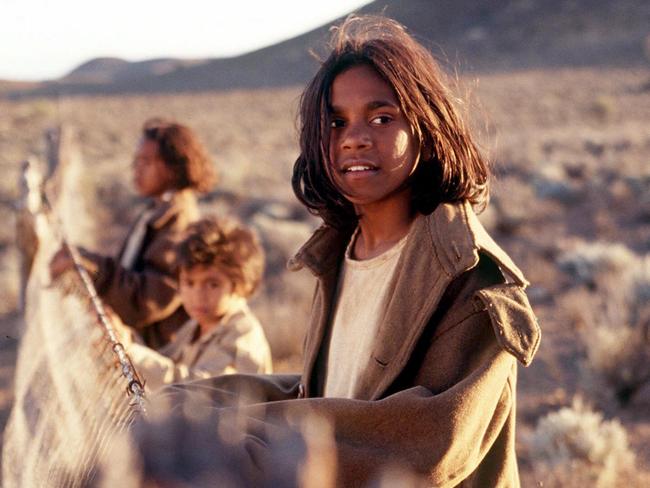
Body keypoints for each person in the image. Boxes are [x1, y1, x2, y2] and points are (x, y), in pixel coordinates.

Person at [143, 15, 541, 487]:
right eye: (336, 121)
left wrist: (241, 444)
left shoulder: (470, 276)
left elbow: (429, 444)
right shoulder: (341, 255)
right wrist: (183, 403)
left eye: (381, 117)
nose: (354, 136)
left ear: (427, 133)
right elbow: (324, 395)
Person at [50, 119, 216, 350]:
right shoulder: (158, 210)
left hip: (158, 357)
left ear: (173, 166)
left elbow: (147, 301)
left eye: (146, 161)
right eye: (136, 161)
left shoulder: (179, 222)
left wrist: (91, 267)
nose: (136, 168)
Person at [127, 217, 273, 392]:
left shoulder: (242, 335)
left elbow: (199, 390)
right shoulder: (198, 324)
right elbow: (166, 359)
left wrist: (130, 352)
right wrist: (126, 338)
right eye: (189, 283)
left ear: (241, 285)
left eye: (213, 284)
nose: (198, 296)